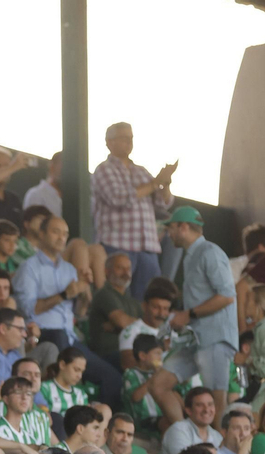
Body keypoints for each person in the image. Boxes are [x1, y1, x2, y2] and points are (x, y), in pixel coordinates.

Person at [160, 206, 238, 414]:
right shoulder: (192, 255)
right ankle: (190, 437)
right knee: (158, 385)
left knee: (215, 398)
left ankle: (216, 445)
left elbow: (227, 296)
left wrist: (188, 314)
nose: (169, 234)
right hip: (195, 338)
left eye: (171, 228)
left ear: (184, 227)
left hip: (214, 337)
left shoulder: (209, 251)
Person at [90, 122, 173, 298]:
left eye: (131, 138)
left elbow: (163, 203)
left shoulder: (141, 171)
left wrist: (165, 183)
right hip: (118, 246)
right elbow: (118, 198)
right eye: (124, 138)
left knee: (149, 300)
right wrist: (154, 183)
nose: (129, 142)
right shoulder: (104, 169)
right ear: (109, 142)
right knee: (118, 299)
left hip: (147, 248)